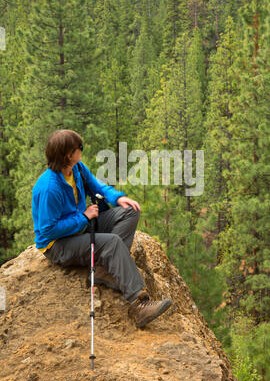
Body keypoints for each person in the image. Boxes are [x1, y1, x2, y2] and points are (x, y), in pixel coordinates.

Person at [32, 129, 172, 328]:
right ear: (67, 155)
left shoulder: (77, 169)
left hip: (81, 225)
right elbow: (48, 231)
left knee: (130, 212)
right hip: (58, 245)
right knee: (112, 243)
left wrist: (118, 198)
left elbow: (98, 186)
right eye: (79, 148)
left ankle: (104, 271)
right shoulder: (49, 188)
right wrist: (83, 217)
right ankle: (139, 305)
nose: (82, 150)